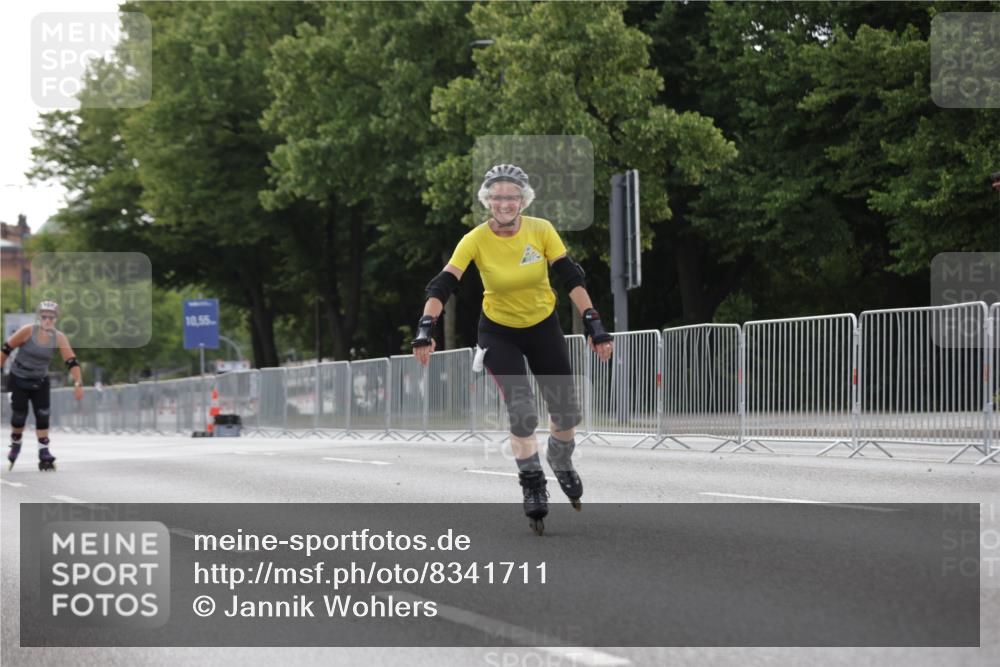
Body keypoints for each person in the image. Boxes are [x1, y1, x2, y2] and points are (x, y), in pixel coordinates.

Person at [412, 164, 613, 534]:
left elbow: (570, 277)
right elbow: (442, 284)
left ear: (523, 199)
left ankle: (561, 459)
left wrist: (594, 324)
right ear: (487, 200)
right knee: (522, 412)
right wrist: (426, 328)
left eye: (512, 196)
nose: (504, 202)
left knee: (566, 413)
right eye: (497, 196)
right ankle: (533, 482)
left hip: (543, 327)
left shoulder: (541, 230)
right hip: (498, 332)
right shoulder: (475, 239)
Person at [1, 301, 83, 470]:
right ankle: (16, 443)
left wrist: (78, 382)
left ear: (56, 319)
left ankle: (44, 452)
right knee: (19, 415)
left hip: (40, 380)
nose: (47, 321)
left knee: (43, 414)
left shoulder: (58, 337)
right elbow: (6, 349)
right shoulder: (28, 331)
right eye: (44, 317)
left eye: (51, 318)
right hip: (18, 379)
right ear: (39, 318)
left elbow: (71, 361)